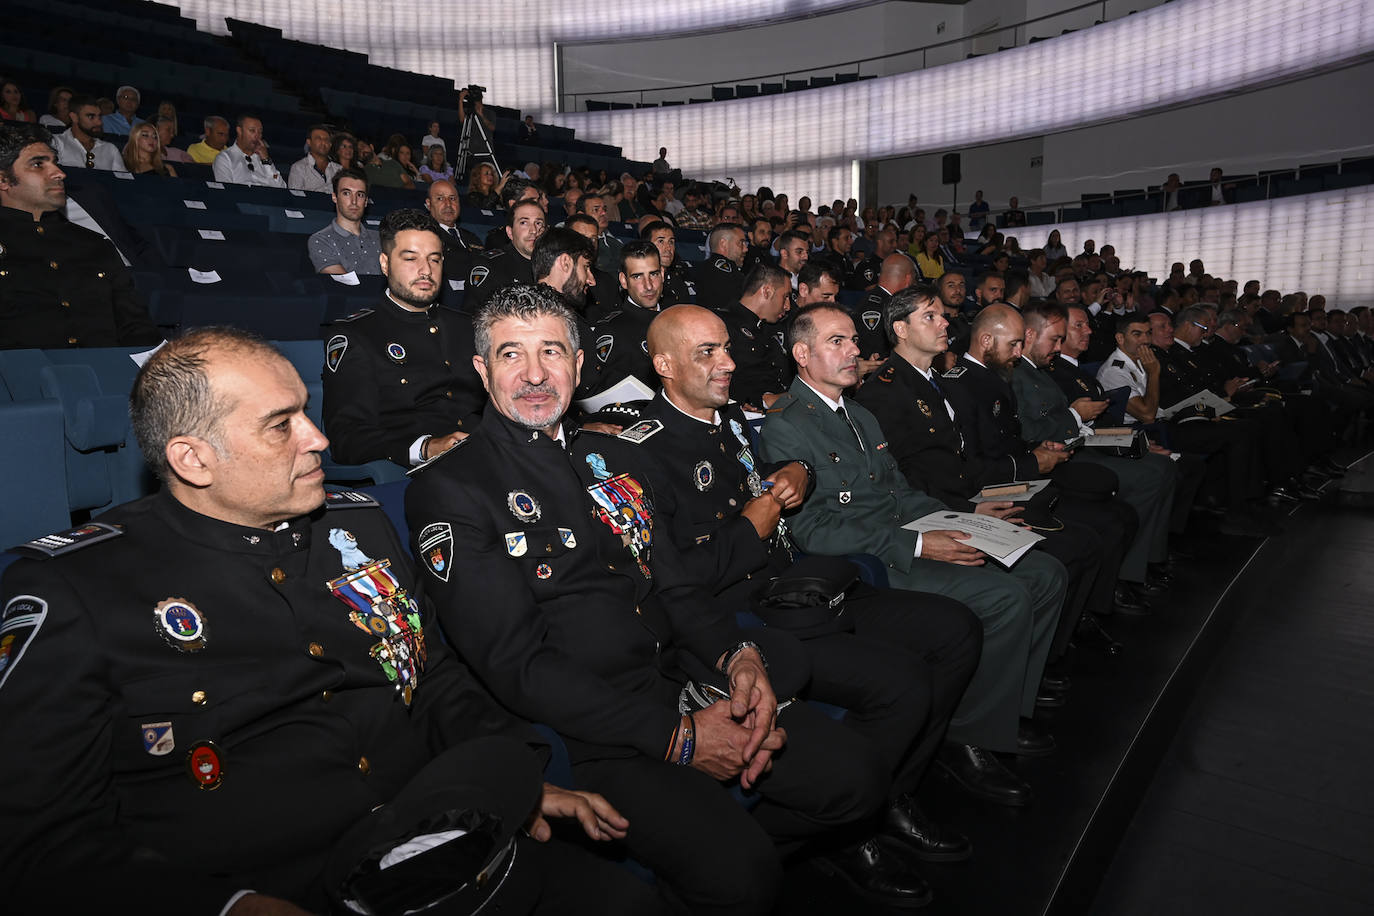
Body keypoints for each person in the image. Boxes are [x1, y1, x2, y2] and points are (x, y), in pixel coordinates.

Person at [0, 326, 660, 915]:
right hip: (269, 885)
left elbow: (433, 679)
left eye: (306, 413)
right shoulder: (74, 588)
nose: (318, 439)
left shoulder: (358, 522)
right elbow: (44, 843)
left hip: (438, 840)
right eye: (279, 424)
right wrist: (228, 905)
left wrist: (516, 781)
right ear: (192, 459)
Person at [405, 284, 889, 916]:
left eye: (552, 352)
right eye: (509, 355)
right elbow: (516, 666)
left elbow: (678, 587)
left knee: (856, 776)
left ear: (579, 367)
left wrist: (737, 658)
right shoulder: (453, 489)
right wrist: (679, 740)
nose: (532, 374)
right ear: (481, 371)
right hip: (592, 732)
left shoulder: (610, 459)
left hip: (678, 680)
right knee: (742, 874)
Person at [631, 304, 985, 904]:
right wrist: (752, 527)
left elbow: (770, 479)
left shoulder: (730, 424)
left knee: (955, 631)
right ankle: (854, 826)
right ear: (664, 366)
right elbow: (677, 579)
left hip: (797, 589)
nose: (729, 363)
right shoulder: (641, 452)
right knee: (900, 684)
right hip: (740, 621)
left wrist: (797, 470)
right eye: (707, 354)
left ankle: (891, 794)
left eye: (726, 348)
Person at [759, 303, 1069, 807]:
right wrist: (921, 543)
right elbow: (812, 530)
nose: (855, 350)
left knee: (1044, 571)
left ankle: (1005, 709)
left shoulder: (859, 414)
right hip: (872, 563)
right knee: (1005, 596)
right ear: (801, 354)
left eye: (854, 339)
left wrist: (968, 519)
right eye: (837, 341)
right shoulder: (787, 425)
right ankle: (970, 736)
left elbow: (899, 493)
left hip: (908, 533)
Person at [322, 208, 486, 467]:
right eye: (411, 259)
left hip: (488, 453)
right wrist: (425, 448)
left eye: (435, 259)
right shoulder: (358, 335)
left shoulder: (467, 326)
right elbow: (347, 439)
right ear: (385, 264)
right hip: (422, 472)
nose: (425, 270)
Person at [0, 123, 159, 349]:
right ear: (3, 181)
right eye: (38, 165)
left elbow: (137, 329)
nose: (59, 173)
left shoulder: (95, 245)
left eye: (54, 162)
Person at [716, 263, 793, 410]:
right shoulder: (721, 324)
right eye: (785, 297)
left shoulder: (772, 327)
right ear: (767, 291)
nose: (788, 306)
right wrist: (760, 399)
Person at [465, 199, 545, 311]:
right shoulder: (490, 265)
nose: (533, 230)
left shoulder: (554, 265)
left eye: (538, 223)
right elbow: (474, 315)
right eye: (524, 223)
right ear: (510, 232)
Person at [307, 167, 381, 276]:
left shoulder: (380, 238)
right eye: (346, 193)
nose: (354, 201)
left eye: (360, 195)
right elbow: (344, 284)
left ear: (365, 201)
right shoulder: (321, 240)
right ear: (334, 197)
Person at [423, 178, 483, 280]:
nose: (448, 204)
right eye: (440, 198)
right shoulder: (425, 236)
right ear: (429, 204)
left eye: (452, 198)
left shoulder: (472, 237)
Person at [52, 95, 122, 171]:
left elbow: (123, 181)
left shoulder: (110, 149)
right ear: (74, 117)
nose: (99, 122)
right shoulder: (55, 143)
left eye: (99, 117)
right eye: (91, 117)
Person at [213, 114, 285, 187]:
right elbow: (226, 191)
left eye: (260, 132)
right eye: (252, 131)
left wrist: (266, 160)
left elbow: (281, 187)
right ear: (239, 130)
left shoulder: (263, 158)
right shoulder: (225, 157)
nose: (257, 136)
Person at [692, 222, 748, 310]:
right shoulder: (724, 270)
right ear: (723, 244)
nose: (745, 249)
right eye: (741, 243)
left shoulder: (705, 268)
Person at [287, 124, 340, 193]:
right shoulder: (298, 167)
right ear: (309, 142)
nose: (323, 142)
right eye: (318, 138)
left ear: (330, 144)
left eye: (326, 139)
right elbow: (295, 197)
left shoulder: (338, 169)